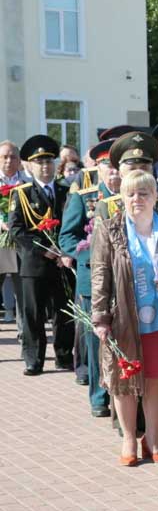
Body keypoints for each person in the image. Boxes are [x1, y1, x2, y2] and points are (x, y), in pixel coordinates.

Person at [90, 169, 158, 466]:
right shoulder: (110, 229)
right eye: (131, 193)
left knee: (157, 378)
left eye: (144, 193)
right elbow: (100, 274)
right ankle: (129, 438)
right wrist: (100, 317)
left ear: (155, 196)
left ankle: (154, 439)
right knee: (125, 378)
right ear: (122, 197)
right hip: (124, 317)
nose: (137, 199)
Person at [59, 139, 119, 417]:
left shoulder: (135, 195)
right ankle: (99, 396)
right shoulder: (85, 196)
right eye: (107, 164)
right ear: (98, 167)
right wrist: (91, 256)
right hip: (93, 281)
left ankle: (127, 396)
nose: (113, 171)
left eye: (117, 164)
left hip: (128, 281)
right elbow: (67, 237)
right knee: (97, 341)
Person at [8, 135, 75, 376]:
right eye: (40, 162)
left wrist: (63, 251)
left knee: (64, 312)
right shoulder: (22, 193)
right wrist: (43, 249)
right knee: (33, 314)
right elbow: (17, 229)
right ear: (30, 165)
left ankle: (64, 355)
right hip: (34, 263)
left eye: (49, 161)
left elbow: (73, 224)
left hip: (62, 262)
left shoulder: (66, 190)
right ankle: (34, 359)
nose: (45, 166)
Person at [0, 140, 24, 328]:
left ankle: (25, 335)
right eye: (4, 157)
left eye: (13, 157)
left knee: (23, 295)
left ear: (19, 160)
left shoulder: (26, 182)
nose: (8, 161)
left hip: (20, 244)